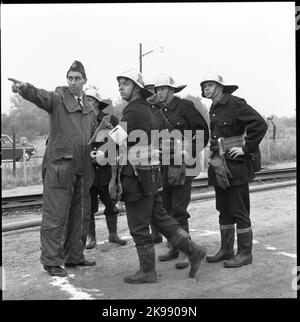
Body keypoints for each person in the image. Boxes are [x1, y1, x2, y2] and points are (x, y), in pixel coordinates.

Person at [109, 68, 206, 284]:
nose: (120, 87)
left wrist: (101, 153)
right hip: (151, 175)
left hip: (136, 177)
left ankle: (148, 272)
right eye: (120, 83)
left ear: (136, 88)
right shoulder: (145, 109)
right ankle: (194, 250)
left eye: (125, 83)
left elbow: (116, 143)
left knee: (138, 226)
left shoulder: (133, 112)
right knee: (162, 218)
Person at [8, 60, 97, 277]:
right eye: (70, 78)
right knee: (55, 216)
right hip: (60, 167)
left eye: (77, 78)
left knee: (81, 214)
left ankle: (75, 256)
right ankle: (51, 261)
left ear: (85, 81)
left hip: (83, 167)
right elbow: (41, 96)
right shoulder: (57, 99)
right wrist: (25, 89)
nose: (73, 82)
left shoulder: (89, 107)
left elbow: (91, 134)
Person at [200, 71, 268, 267]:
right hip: (219, 165)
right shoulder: (214, 107)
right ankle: (227, 250)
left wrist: (246, 148)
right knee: (223, 209)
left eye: (210, 85)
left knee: (239, 210)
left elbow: (260, 125)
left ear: (221, 87)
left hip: (235, 166)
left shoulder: (235, 103)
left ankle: (245, 254)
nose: (206, 89)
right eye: (204, 86)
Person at [154, 73, 209, 269]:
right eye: (157, 89)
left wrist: (190, 152)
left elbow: (203, 132)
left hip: (183, 167)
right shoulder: (157, 111)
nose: (159, 92)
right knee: (167, 209)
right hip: (164, 166)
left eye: (162, 89)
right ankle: (174, 247)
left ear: (171, 90)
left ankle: (186, 251)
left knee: (179, 210)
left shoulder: (185, 107)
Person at [85, 87, 127, 249]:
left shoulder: (111, 120)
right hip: (88, 170)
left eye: (89, 99)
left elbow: (122, 143)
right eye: (84, 100)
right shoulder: (79, 121)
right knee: (88, 206)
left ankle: (113, 234)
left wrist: (107, 151)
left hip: (107, 170)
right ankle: (91, 237)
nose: (87, 103)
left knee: (111, 203)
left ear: (96, 102)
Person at [143, 77, 163, 244]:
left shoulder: (164, 109)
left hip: (167, 157)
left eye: (153, 90)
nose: (150, 94)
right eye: (147, 90)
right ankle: (155, 233)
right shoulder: (143, 109)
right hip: (149, 159)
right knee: (151, 197)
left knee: (165, 201)